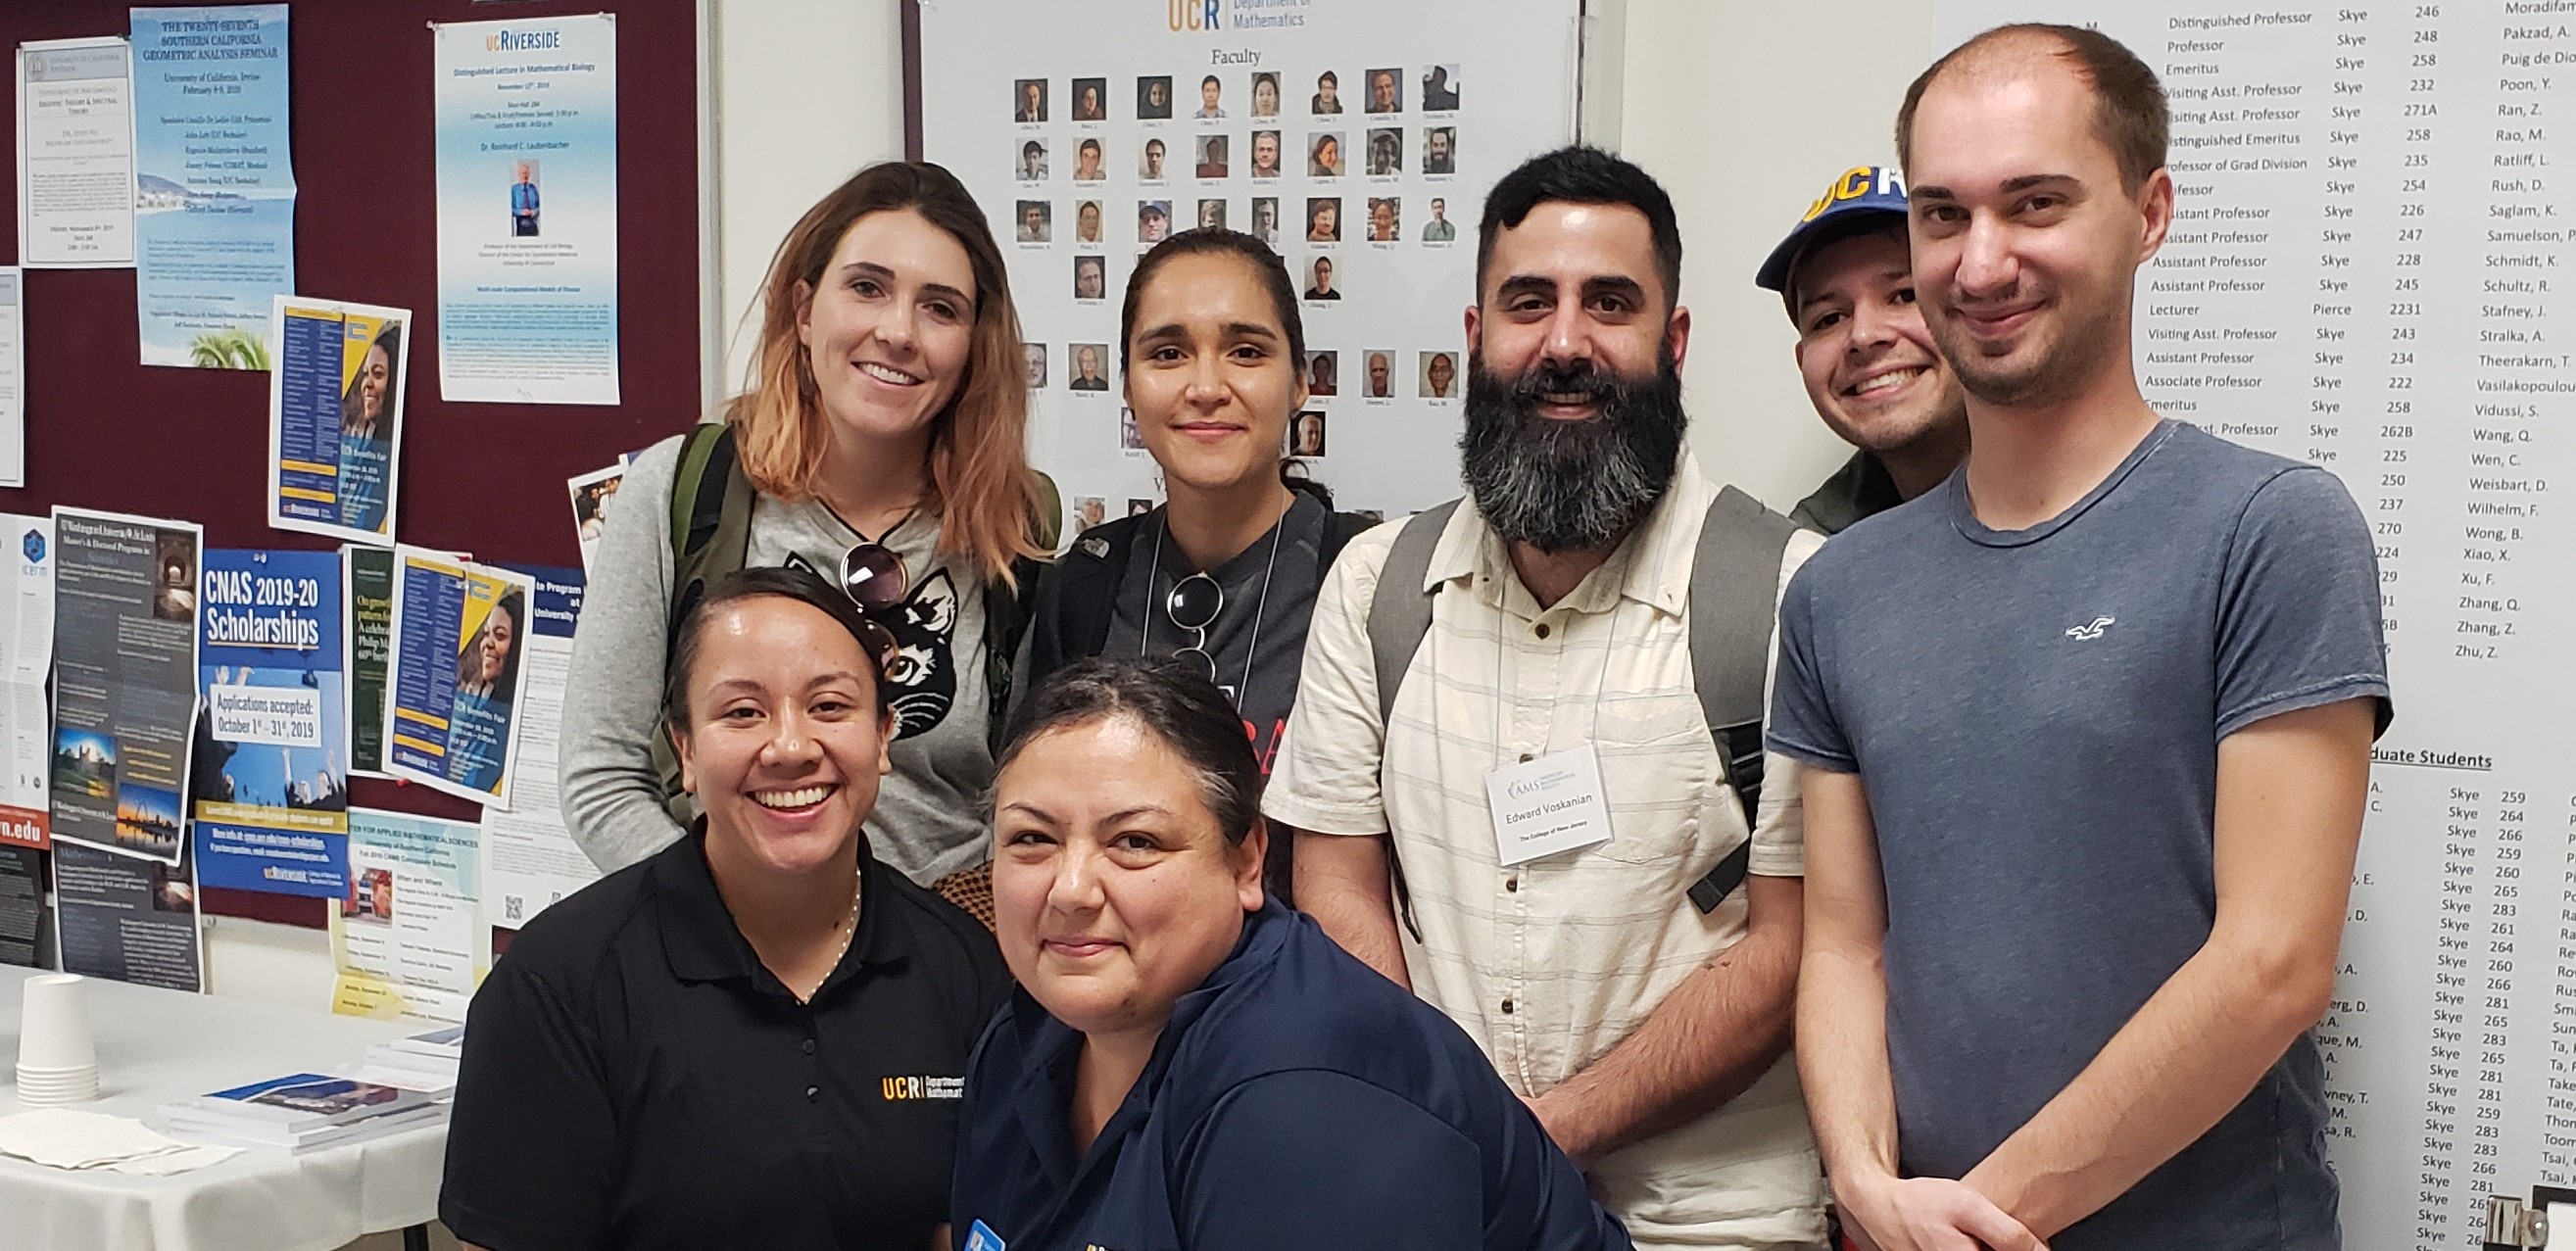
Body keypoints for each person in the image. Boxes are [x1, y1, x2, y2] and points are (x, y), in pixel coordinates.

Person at [1773, 25, 2389, 1251]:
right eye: (1942, 215)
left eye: (2035, 204)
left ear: (2147, 213)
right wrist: (1863, 1181)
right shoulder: (1838, 589)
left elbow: (2273, 958)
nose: (1980, 261)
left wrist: (1975, 1222)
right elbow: (1842, 944)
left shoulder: (2269, 528)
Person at [1266, 146, 1829, 1249]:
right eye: (1529, 303)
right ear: (1476, 336)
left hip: (1710, 1221)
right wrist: (1444, 1125)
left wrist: (1529, 1135)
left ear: (1673, 341)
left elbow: (1792, 946)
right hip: (1441, 1198)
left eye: (1609, 303)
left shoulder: (1789, 594)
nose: (1565, 343)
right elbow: (1336, 882)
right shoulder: (1376, 587)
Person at [957, 657, 1632, 1250]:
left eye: (1135, 842)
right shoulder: (1027, 1035)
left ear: (1246, 862)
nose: (1071, 890)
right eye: (1031, 839)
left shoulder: (1308, 1104)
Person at [444, 568, 1011, 1251]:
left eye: (830, 706)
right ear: (684, 749)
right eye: (743, 712)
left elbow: (979, 1223)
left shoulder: (965, 968)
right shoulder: (560, 985)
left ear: (883, 735)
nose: (792, 747)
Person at [560, 162, 1056, 888]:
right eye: (867, 288)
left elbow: (1035, 797)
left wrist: (937, 939)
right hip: (725, 936)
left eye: (940, 308)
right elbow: (601, 778)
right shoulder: (682, 490)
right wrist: (731, 925)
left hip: (951, 936)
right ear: (802, 310)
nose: (898, 331)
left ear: (973, 344)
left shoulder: (1015, 521)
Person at [1014, 229, 1378, 898]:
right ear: (1128, 384)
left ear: (1300, 381)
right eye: (1168, 353)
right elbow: (1034, 822)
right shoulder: (1082, 587)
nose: (1206, 387)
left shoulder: (1368, 581)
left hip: (1311, 958)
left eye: (1246, 352)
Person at [1753, 165, 1968, 534]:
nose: (1864, 336)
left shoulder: (2075, 494)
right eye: (1830, 318)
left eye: (1905, 296)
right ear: (1802, 361)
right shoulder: (1808, 551)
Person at [449, 590, 522, 794]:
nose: (487, 644)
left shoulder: (510, 720)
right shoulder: (478, 694)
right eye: (486, 633)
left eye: (500, 636)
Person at [337, 324, 400, 535]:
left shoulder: (391, 454)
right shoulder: (357, 434)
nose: (367, 384)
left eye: (378, 374)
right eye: (366, 374)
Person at [510, 162, 540, 237]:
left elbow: (539, 206)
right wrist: (521, 212)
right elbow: (511, 209)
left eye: (527, 173)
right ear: (519, 175)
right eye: (523, 173)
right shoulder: (514, 189)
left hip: (533, 223)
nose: (525, 176)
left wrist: (533, 211)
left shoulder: (533, 188)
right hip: (520, 224)